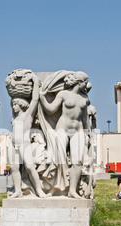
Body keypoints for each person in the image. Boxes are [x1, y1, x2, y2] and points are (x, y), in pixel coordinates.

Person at [39, 71, 90, 199]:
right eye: (85, 81)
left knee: (77, 161)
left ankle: (72, 191)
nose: (87, 84)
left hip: (78, 131)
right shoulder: (63, 94)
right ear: (79, 82)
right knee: (58, 160)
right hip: (62, 129)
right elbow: (50, 110)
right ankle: (55, 189)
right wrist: (41, 97)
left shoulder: (85, 99)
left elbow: (85, 119)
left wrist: (88, 134)